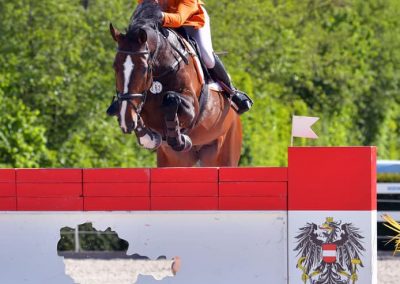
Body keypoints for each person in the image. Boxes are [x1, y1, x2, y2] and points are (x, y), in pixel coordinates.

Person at [137, 0, 253, 114]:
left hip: (192, 22)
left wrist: (158, 14)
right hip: (163, 23)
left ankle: (232, 92)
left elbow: (178, 20)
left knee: (207, 57)